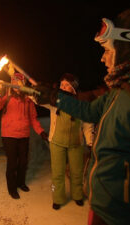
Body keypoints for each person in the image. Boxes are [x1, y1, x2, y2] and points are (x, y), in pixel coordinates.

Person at [35, 6, 130, 225]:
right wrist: (54, 97)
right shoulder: (121, 90)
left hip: (124, 218)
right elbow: (89, 110)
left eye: (109, 51)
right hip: (103, 208)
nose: (103, 59)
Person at [39, 73, 95, 210]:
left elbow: (87, 124)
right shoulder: (54, 100)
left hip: (76, 143)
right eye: (62, 84)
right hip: (57, 142)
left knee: (77, 172)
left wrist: (90, 141)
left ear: (73, 88)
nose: (63, 87)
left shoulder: (80, 103)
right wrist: (32, 89)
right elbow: (37, 98)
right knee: (57, 172)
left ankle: (77, 196)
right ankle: (57, 198)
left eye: (67, 85)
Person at [0, 73, 48, 199]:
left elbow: (33, 118)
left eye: (19, 82)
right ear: (11, 83)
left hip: (23, 134)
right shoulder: (7, 95)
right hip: (9, 134)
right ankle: (12, 188)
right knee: (12, 163)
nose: (16, 85)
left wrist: (41, 132)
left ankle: (20, 183)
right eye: (14, 82)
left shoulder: (28, 99)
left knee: (23, 162)